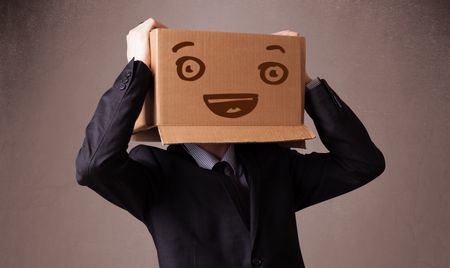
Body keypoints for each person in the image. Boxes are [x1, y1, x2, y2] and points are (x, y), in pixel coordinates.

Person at [75, 17, 385, 268]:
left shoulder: (274, 164)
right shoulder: (154, 174)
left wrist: (301, 80)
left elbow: (362, 163)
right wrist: (138, 67)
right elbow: (94, 165)